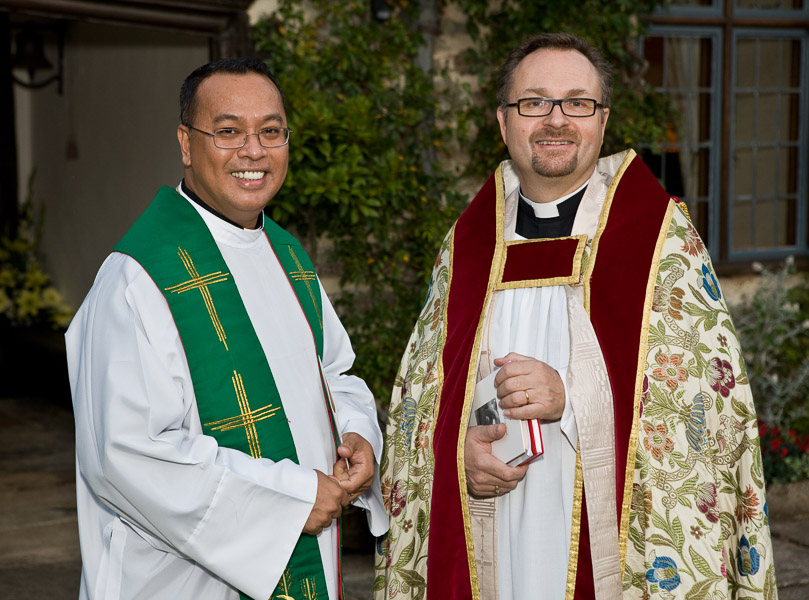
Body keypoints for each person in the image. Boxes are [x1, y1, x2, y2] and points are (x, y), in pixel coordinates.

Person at [376, 33, 776, 600]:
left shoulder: (659, 240)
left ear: (602, 121)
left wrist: (572, 398)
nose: (555, 119)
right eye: (534, 102)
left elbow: (704, 409)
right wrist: (456, 454)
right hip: (491, 538)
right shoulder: (466, 246)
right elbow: (418, 404)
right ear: (503, 122)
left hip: (612, 542)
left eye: (577, 103)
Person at [66, 57, 387, 600]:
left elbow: (333, 370)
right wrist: (287, 497)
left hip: (307, 548)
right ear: (186, 145)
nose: (253, 151)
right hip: (178, 581)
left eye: (271, 131)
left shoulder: (285, 252)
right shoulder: (137, 279)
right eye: (229, 131)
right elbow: (125, 457)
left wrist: (355, 433)